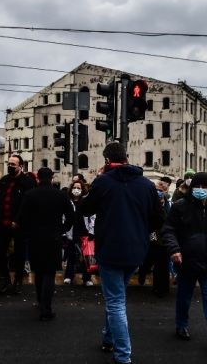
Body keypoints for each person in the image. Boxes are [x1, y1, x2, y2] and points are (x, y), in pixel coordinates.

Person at [80, 142, 165, 364]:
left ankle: (123, 355)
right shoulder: (146, 185)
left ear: (107, 160)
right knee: (117, 296)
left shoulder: (103, 182)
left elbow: (85, 209)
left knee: (115, 301)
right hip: (136, 251)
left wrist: (96, 184)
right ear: (126, 158)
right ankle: (108, 338)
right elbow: (158, 219)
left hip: (109, 249)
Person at [162, 172, 207, 353]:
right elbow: (168, 230)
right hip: (187, 262)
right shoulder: (180, 207)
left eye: (205, 187)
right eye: (197, 187)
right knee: (184, 296)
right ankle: (182, 324)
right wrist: (174, 250)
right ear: (192, 187)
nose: (201, 190)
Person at [18, 167, 74, 320]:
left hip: (35, 237)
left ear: (37, 178)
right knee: (50, 272)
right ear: (52, 178)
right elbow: (70, 216)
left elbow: (22, 217)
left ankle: (39, 300)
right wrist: (63, 229)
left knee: (38, 271)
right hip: (53, 237)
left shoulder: (30, 195)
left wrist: (28, 231)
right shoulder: (61, 195)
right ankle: (46, 308)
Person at [0, 154, 36, 294]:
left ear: (20, 166)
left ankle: (18, 282)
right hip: (2, 223)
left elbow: (27, 204)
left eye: (13, 165)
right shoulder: (3, 181)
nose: (10, 166)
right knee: (1, 253)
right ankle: (5, 280)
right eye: (9, 164)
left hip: (19, 225)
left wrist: (18, 220)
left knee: (19, 254)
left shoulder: (27, 182)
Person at [63, 181, 95, 286]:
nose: (76, 190)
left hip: (84, 231)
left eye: (79, 188)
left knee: (86, 256)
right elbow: (63, 217)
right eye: (74, 187)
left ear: (82, 190)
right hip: (71, 231)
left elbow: (92, 217)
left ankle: (87, 278)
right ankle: (68, 276)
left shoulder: (86, 201)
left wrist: (91, 231)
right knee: (71, 254)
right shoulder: (68, 201)